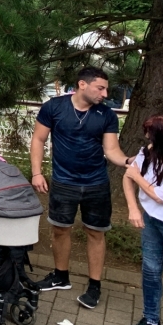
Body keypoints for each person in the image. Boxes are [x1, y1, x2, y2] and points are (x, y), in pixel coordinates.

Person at [30, 66, 133, 308]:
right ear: (82, 85)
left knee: (96, 233)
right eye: (101, 88)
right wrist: (36, 173)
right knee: (60, 230)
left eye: (106, 88)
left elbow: (111, 151)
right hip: (63, 182)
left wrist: (129, 161)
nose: (105, 93)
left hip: (96, 183)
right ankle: (60, 276)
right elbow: (38, 139)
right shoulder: (54, 107)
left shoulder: (106, 115)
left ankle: (94, 286)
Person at [123, 115, 163, 325]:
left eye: (150, 133)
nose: (146, 137)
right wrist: (133, 208)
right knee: (151, 271)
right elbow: (127, 177)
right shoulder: (148, 151)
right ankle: (151, 320)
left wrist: (137, 176)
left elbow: (161, 197)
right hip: (152, 220)